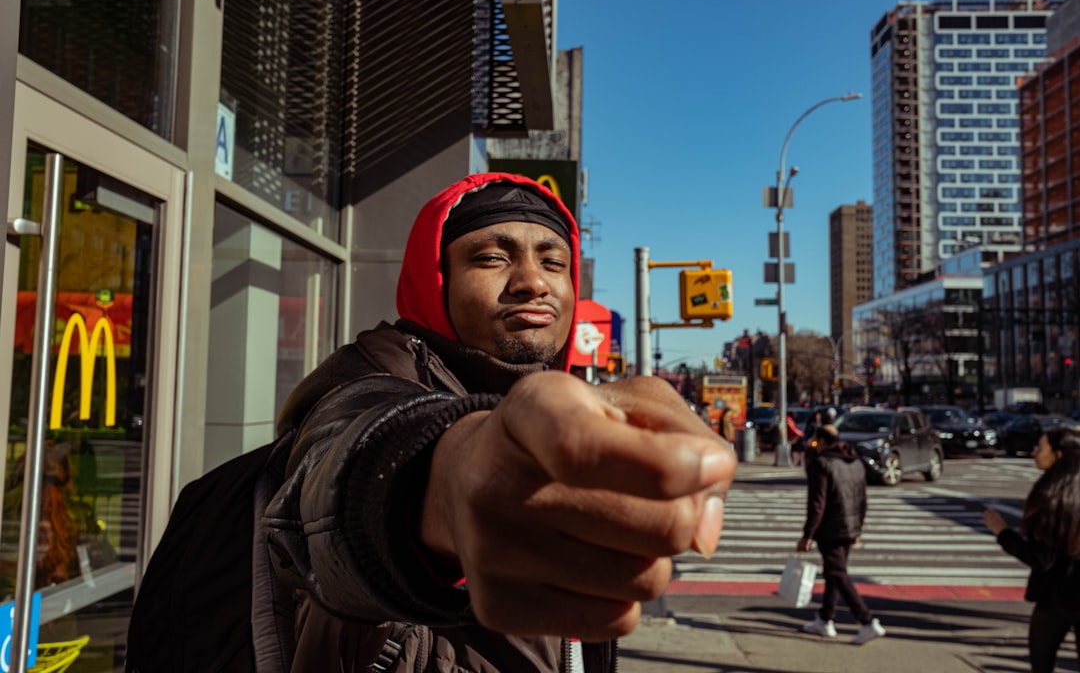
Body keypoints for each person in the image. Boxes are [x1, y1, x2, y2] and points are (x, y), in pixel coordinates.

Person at [261, 172, 737, 671]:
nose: (533, 282)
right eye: (491, 258)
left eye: (554, 262)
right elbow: (338, 471)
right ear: (435, 277)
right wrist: (437, 482)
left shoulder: (571, 409)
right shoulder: (362, 378)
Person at [983, 428, 1080, 673]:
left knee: (1042, 662)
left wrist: (1003, 533)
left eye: (1040, 448)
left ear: (1058, 455)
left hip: (1057, 596)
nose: (1035, 454)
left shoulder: (1053, 498)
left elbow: (1041, 559)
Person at [796, 423, 886, 645]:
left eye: (816, 441)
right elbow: (862, 499)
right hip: (850, 526)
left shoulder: (822, 464)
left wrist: (808, 534)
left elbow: (817, 504)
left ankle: (866, 621)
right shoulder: (854, 461)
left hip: (830, 528)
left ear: (823, 441)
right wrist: (858, 529)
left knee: (837, 573)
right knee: (833, 572)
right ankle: (825, 618)